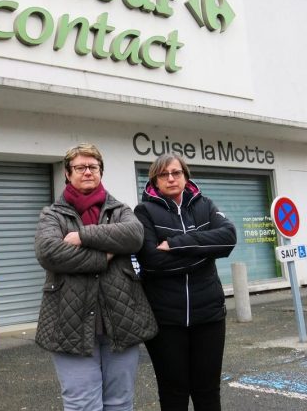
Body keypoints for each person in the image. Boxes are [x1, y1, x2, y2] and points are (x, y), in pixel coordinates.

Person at [34, 143, 158, 411]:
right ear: (68, 173)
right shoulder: (52, 214)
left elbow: (134, 236)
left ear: (101, 171)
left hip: (121, 319)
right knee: (82, 405)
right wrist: (104, 256)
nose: (87, 171)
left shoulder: (120, 210)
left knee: (120, 402)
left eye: (93, 167)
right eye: (80, 167)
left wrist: (83, 236)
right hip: (70, 324)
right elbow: (49, 252)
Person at [135, 153, 237, 411]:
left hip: (209, 316)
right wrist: (205, 251)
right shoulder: (144, 211)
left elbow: (228, 238)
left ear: (185, 176)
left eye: (176, 173)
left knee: (208, 392)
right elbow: (152, 261)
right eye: (163, 174)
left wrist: (176, 244)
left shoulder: (205, 205)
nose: (171, 178)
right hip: (166, 321)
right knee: (173, 394)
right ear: (155, 181)